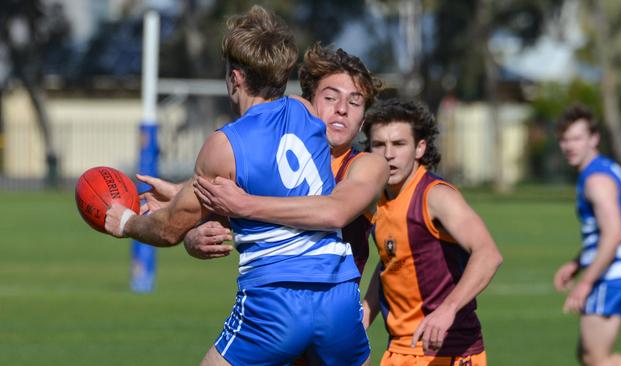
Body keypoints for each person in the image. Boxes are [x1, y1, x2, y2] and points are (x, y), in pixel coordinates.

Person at [104, 6, 370, 366]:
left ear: (235, 78)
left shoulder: (224, 145)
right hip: (338, 294)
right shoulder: (307, 114)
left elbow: (168, 231)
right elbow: (274, 175)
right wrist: (185, 192)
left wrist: (125, 222)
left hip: (275, 299)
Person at [188, 43, 386, 278]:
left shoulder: (368, 166)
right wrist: (195, 236)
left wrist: (244, 205)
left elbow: (335, 212)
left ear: (362, 122)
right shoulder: (275, 155)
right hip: (270, 299)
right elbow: (220, 208)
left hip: (329, 306)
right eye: (331, 97)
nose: (342, 109)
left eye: (354, 102)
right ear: (308, 105)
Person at [361, 98, 502, 366]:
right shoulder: (377, 200)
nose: (388, 154)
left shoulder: (434, 196)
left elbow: (488, 254)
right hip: (399, 351)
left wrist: (448, 309)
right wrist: (366, 312)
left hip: (448, 351)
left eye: (399, 144)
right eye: (379, 144)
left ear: (419, 148)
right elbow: (392, 262)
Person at [553, 104, 621, 366]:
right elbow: (600, 235)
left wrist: (586, 282)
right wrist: (576, 263)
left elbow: (613, 235)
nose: (569, 145)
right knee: (590, 356)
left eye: (576, 138)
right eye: (564, 139)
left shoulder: (596, 180)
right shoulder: (601, 170)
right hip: (619, 273)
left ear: (594, 139)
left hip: (615, 274)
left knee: (595, 357)